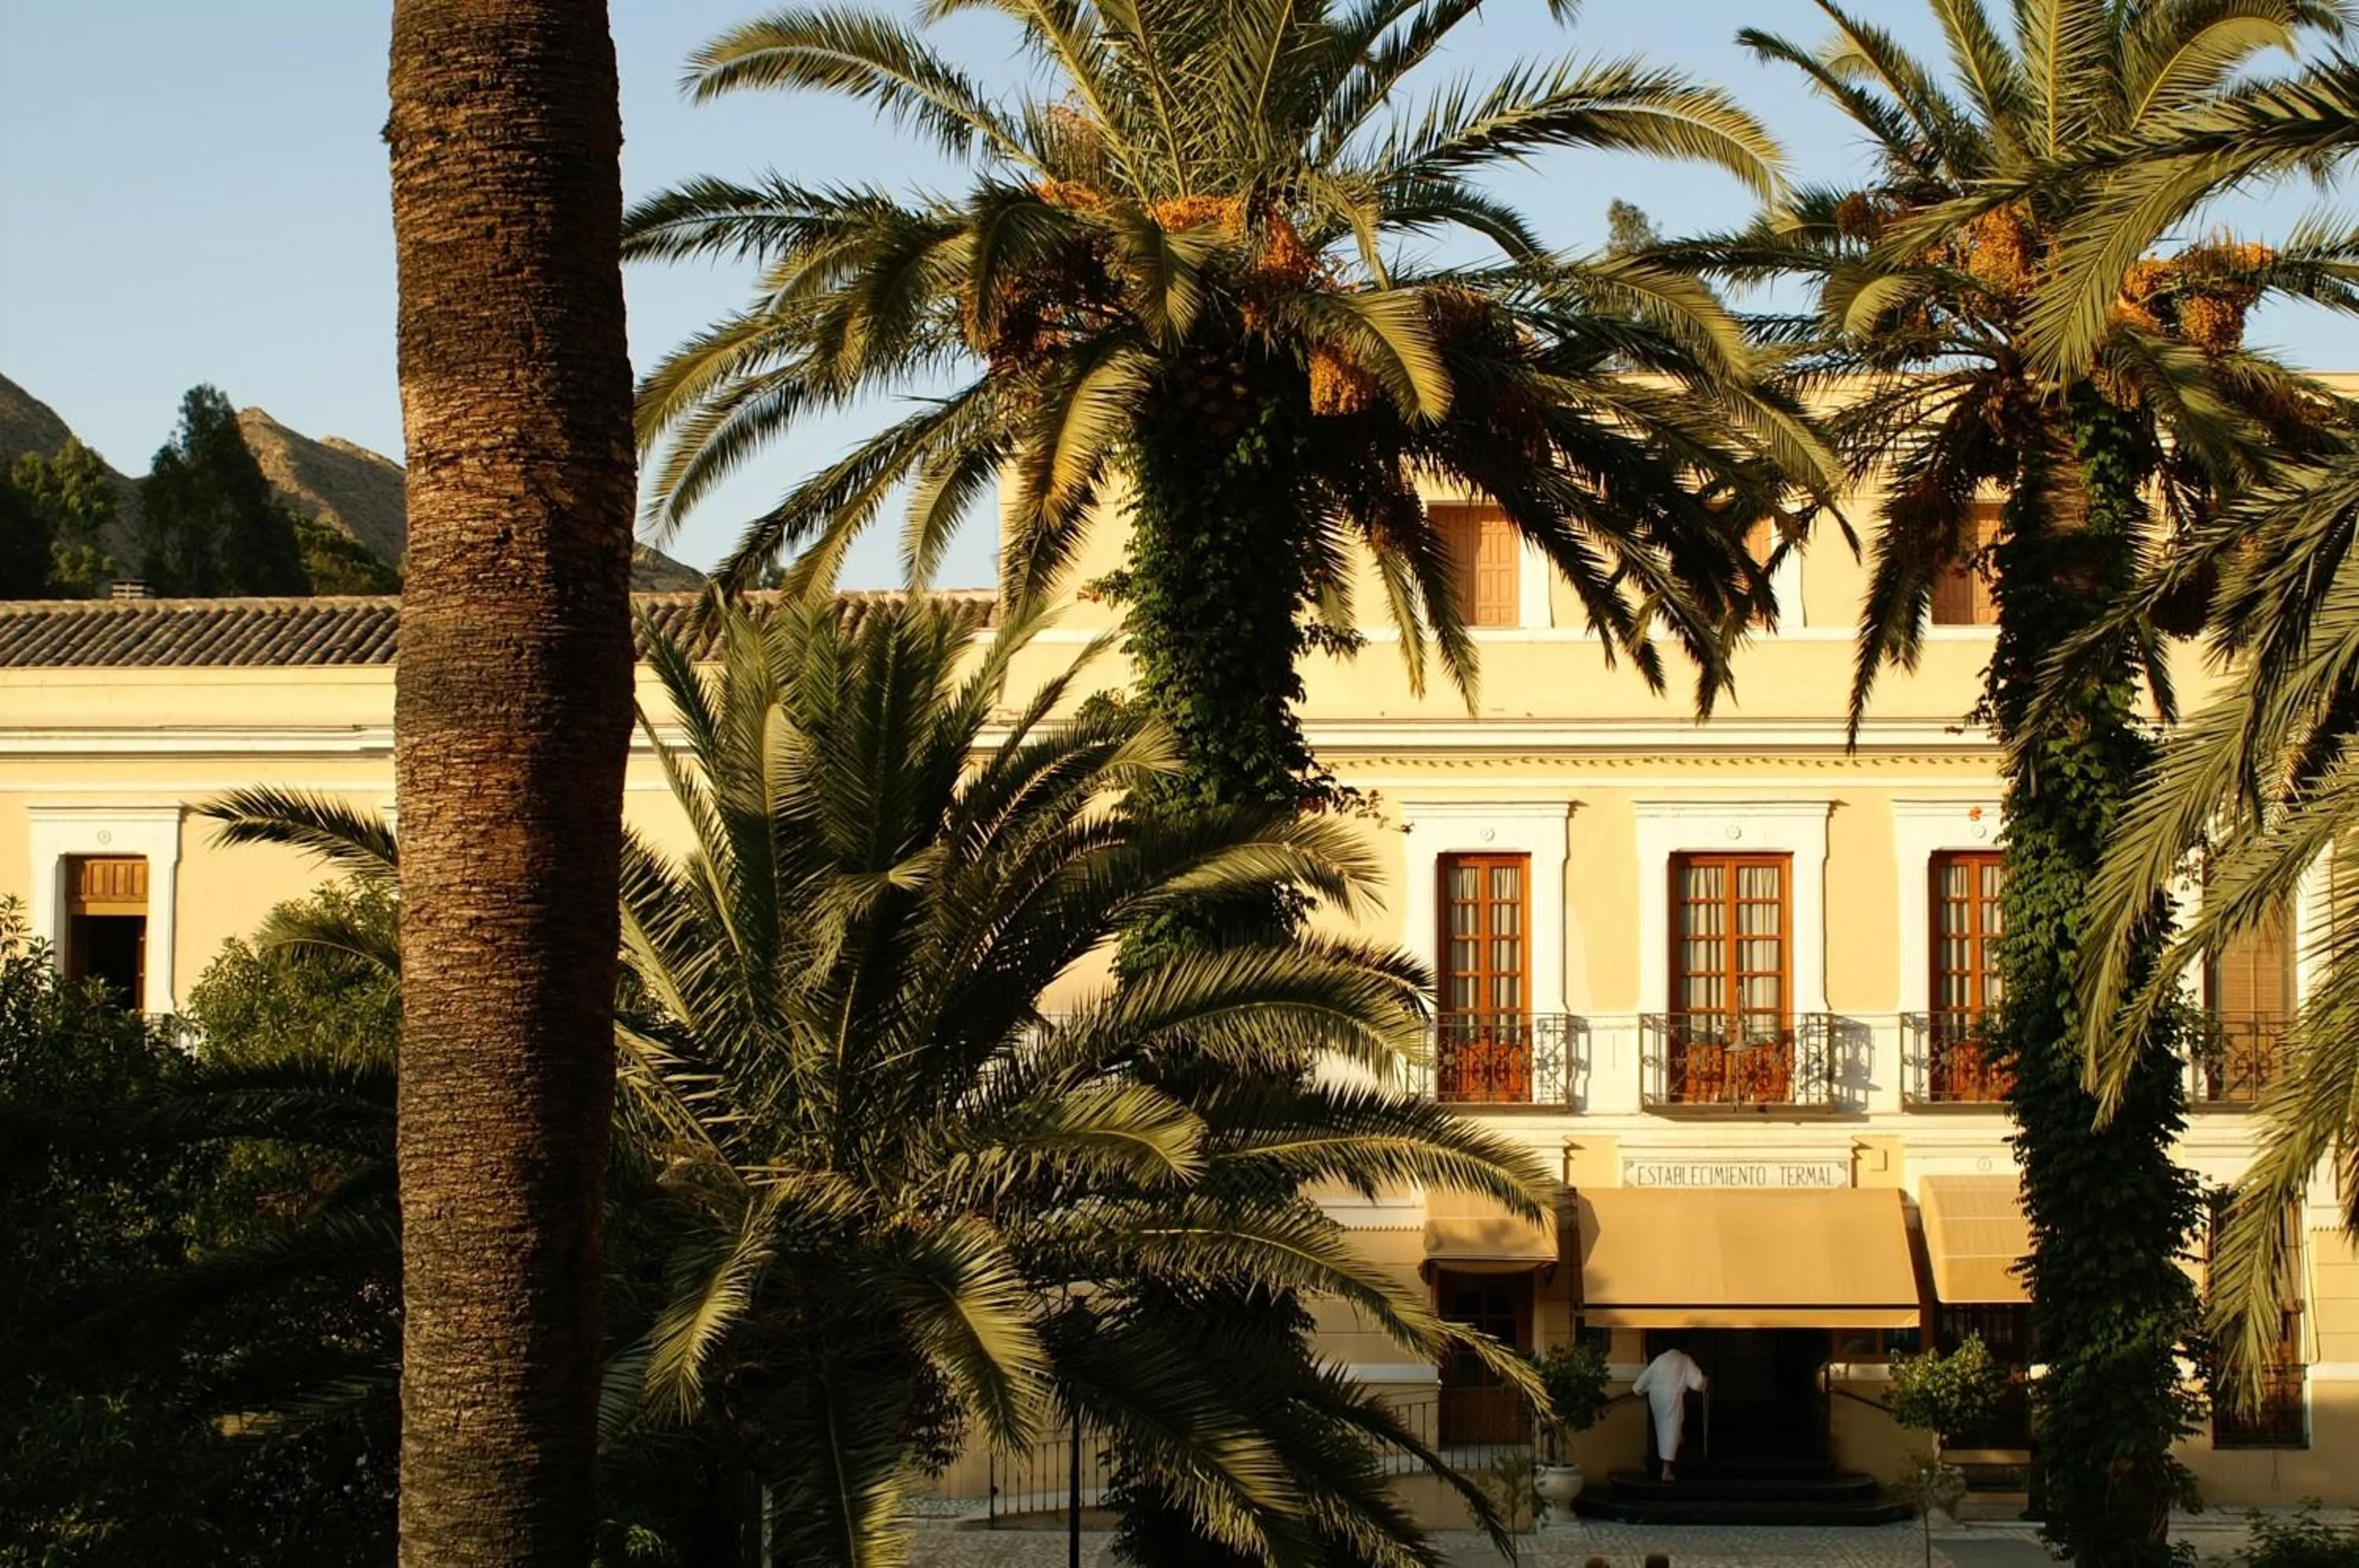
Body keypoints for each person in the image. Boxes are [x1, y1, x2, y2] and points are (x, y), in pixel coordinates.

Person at [1631, 1341, 1708, 1481]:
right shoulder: (1684, 1359)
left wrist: (1638, 1389)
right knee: (1670, 1430)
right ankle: (1666, 1470)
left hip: (1656, 1397)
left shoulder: (1660, 1359)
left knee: (1665, 1427)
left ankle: (1679, 1438)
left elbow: (1645, 1378)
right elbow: (1697, 1383)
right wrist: (1704, 1381)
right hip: (1672, 1398)